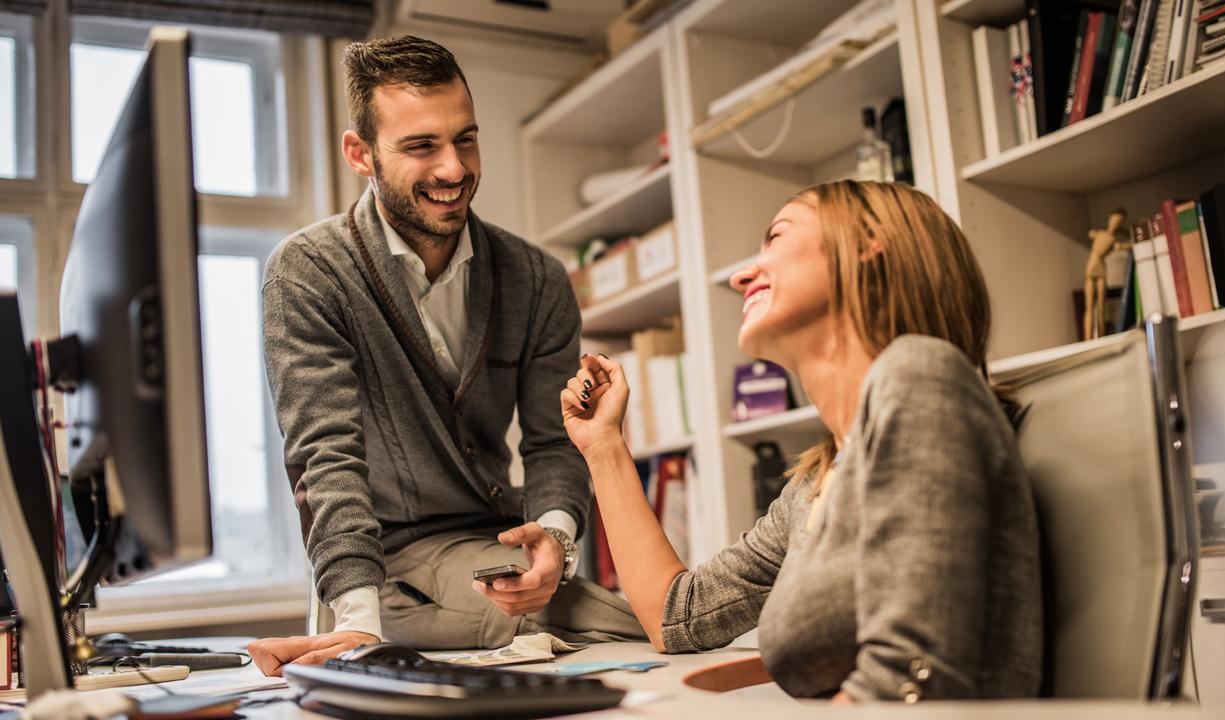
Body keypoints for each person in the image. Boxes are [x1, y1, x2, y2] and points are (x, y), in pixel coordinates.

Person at [543, 180, 1043, 701]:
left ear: (868, 244)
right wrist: (603, 444)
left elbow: (911, 680)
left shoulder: (922, 379)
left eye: (776, 238)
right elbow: (679, 617)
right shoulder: (817, 483)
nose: (740, 275)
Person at [247, 36, 643, 676]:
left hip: (494, 546)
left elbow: (552, 440)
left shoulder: (536, 278)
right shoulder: (307, 274)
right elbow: (325, 455)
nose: (454, 169)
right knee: (629, 626)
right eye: (421, 146)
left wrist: (557, 544)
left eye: (466, 139)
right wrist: (358, 625)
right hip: (386, 565)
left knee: (623, 620)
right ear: (361, 154)